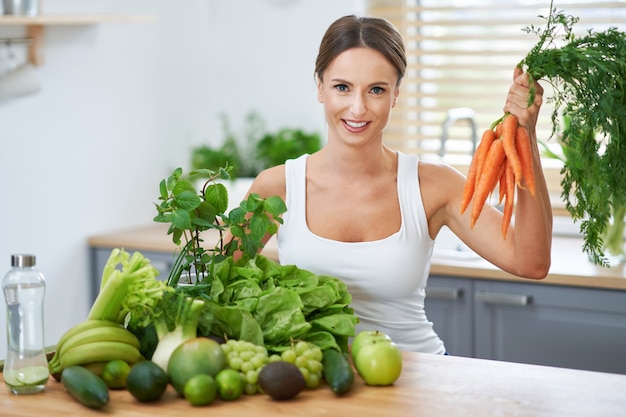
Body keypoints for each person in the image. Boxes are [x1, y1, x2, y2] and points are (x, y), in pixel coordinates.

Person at [232, 15, 552, 354]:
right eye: (343, 87)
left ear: (396, 95)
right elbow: (219, 282)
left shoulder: (432, 185)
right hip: (317, 387)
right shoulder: (278, 187)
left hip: (416, 381)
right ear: (320, 87)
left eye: (376, 90)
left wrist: (525, 135)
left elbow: (529, 262)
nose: (358, 108)